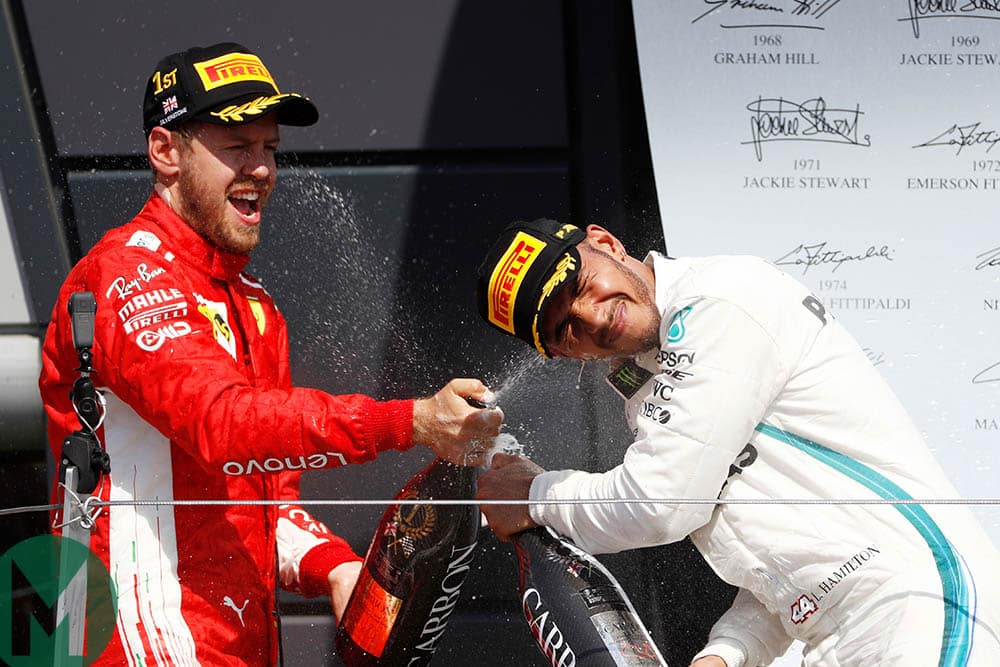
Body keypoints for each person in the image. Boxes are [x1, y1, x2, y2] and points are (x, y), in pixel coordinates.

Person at [39, 42, 502, 667]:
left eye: (269, 149)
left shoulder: (255, 306)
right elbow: (224, 426)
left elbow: (264, 506)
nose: (259, 169)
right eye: (236, 147)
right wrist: (410, 421)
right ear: (165, 152)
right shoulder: (124, 275)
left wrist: (336, 569)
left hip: (238, 644)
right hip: (136, 640)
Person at [473, 218, 1000, 667]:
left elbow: (660, 503)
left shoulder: (719, 303)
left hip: (922, 607)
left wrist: (533, 497)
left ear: (607, 242)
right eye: (564, 328)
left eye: (579, 283)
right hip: (860, 628)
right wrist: (730, 650)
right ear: (564, 356)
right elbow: (802, 548)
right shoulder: (650, 374)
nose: (591, 316)